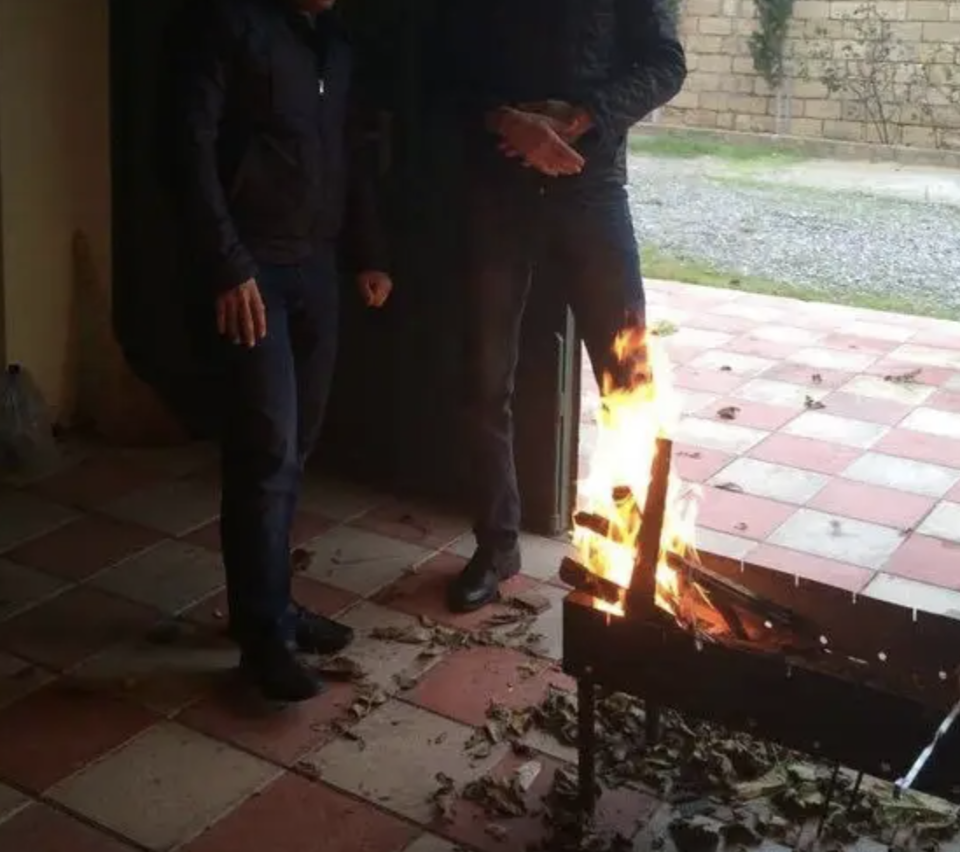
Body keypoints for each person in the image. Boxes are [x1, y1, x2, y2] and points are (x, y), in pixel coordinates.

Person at [429, 0, 687, 612]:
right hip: (497, 193)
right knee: (483, 381)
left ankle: (640, 551)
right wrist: (505, 121)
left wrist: (582, 117)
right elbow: (443, 73)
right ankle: (496, 545)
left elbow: (665, 63)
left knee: (630, 380)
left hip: (591, 189)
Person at [168, 0, 393, 702]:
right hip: (253, 267)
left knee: (296, 447)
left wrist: (367, 253)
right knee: (266, 447)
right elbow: (186, 148)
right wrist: (228, 265)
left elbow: (348, 155)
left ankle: (272, 604)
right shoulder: (227, 23)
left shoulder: (335, 43)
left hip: (318, 267)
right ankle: (262, 635)